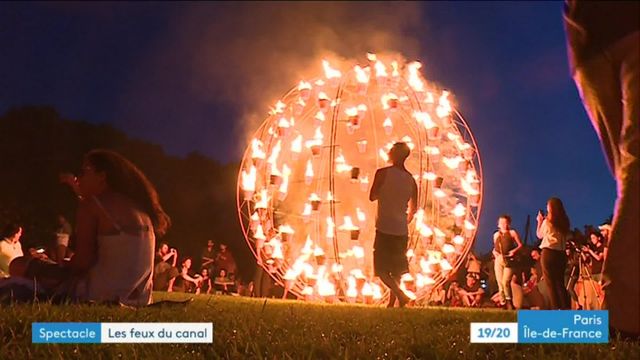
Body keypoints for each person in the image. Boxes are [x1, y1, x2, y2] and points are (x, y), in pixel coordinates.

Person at [564, 0, 639, 337]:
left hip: (588, 42)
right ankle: (622, 314)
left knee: (629, 173)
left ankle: (623, 309)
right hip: (615, 34)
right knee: (632, 169)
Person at [13, 149, 171, 306]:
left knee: (19, 264)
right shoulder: (139, 209)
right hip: (141, 298)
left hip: (99, 294)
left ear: (102, 177)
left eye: (83, 172)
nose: (78, 178)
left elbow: (83, 263)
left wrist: (59, 263)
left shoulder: (93, 206)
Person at [369, 142, 418, 308]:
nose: (388, 152)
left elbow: (372, 196)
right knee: (396, 270)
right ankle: (392, 304)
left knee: (381, 269)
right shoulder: (411, 180)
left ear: (395, 154)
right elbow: (414, 209)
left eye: (390, 150)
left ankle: (400, 295)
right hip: (401, 231)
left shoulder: (382, 173)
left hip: (384, 228)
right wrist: (403, 220)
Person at [536, 197, 571, 310]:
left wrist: (539, 221)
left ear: (550, 207)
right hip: (561, 254)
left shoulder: (547, 221)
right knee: (560, 283)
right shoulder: (565, 222)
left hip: (549, 253)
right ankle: (565, 308)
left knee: (550, 284)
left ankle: (556, 309)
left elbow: (539, 235)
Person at [491, 214, 523, 310]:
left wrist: (514, 251)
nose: (503, 224)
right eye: (501, 223)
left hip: (509, 260)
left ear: (508, 223)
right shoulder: (496, 234)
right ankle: (503, 302)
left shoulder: (512, 233)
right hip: (499, 259)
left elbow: (520, 245)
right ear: (498, 224)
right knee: (500, 282)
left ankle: (509, 301)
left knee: (506, 281)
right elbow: (495, 247)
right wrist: (494, 252)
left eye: (505, 223)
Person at [581, 231, 605, 310]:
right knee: (597, 294)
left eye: (594, 238)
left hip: (600, 273)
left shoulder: (602, 247)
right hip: (594, 273)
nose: (592, 240)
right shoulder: (594, 249)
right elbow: (590, 262)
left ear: (599, 238)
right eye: (591, 238)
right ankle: (601, 308)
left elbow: (599, 258)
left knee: (602, 294)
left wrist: (590, 251)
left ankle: (604, 309)